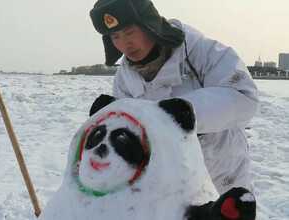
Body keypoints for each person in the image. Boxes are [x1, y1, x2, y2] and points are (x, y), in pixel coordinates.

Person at [89, 0, 259, 195]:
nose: (125, 44)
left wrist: (178, 114)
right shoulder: (125, 79)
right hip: (168, 187)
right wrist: (112, 121)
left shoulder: (201, 52)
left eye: (129, 32)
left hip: (223, 175)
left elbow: (244, 97)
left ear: (149, 24)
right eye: (115, 36)